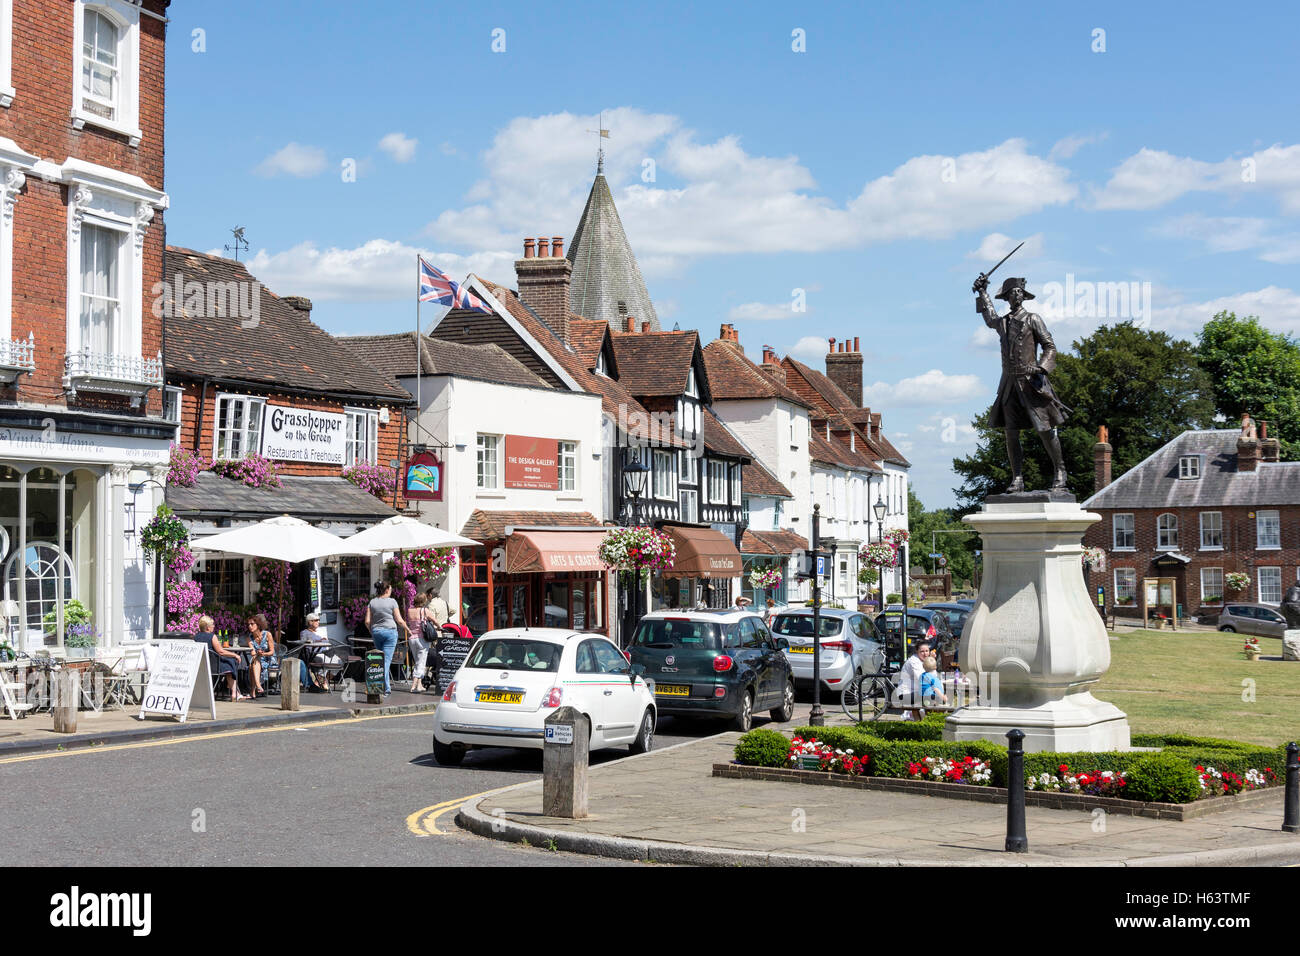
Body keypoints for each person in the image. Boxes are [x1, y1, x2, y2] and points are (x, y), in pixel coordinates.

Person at [973, 275, 1071, 492]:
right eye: (1012, 292)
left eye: (1019, 292)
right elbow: (990, 318)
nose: (1016, 295)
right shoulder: (1004, 322)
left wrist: (1042, 368)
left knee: (1045, 430)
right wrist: (982, 293)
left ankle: (1060, 472)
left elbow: (1050, 346)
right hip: (1009, 384)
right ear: (1007, 297)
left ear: (1023, 296)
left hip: (1031, 383)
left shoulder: (1033, 319)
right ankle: (1017, 478)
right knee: (1011, 433)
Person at [365, 581, 409, 698]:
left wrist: (371, 631)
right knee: (386, 661)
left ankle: (381, 686)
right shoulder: (392, 602)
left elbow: (367, 621)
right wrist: (408, 630)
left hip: (376, 632)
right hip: (390, 632)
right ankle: (385, 689)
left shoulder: (372, 602)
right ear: (387, 590)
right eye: (390, 589)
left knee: (379, 660)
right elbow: (399, 620)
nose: (391, 591)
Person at [199, 615, 251, 702]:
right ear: (208, 628)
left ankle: (235, 691)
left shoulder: (196, 637)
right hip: (214, 666)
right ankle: (234, 693)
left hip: (202, 665)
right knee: (231, 663)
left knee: (229, 663)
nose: (214, 626)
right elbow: (221, 652)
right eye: (212, 624)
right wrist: (235, 655)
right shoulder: (212, 636)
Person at [297, 613, 334, 692]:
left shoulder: (320, 631)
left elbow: (326, 641)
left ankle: (322, 680)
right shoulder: (304, 633)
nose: (318, 622)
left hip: (325, 653)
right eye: (316, 620)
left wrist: (322, 640)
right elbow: (305, 645)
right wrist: (318, 641)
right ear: (310, 622)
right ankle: (320, 680)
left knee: (339, 661)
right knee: (322, 660)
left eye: (318, 620)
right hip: (314, 655)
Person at [894, 641, 930, 721]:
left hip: (914, 692)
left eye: (927, 651)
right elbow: (922, 678)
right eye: (922, 651)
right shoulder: (914, 661)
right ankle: (924, 722)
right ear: (917, 651)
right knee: (931, 697)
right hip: (905, 694)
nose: (925, 654)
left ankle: (922, 722)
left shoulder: (922, 661)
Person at [404, 594, 432, 694]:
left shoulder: (409, 611)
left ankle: (419, 685)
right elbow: (434, 620)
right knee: (421, 663)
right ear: (423, 601)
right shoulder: (425, 611)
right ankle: (414, 685)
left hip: (412, 639)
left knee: (418, 662)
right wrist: (439, 626)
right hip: (422, 640)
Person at [246, 613, 276, 698]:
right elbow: (252, 653)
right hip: (257, 658)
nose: (250, 626)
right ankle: (258, 687)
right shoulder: (249, 638)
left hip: (268, 659)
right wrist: (258, 654)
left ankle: (253, 690)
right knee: (254, 662)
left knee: (253, 664)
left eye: (252, 624)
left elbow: (272, 652)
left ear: (258, 625)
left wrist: (263, 654)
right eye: (248, 624)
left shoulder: (267, 634)